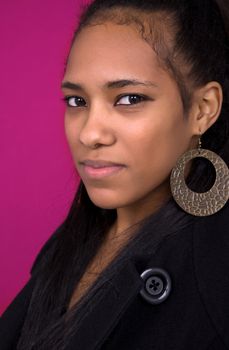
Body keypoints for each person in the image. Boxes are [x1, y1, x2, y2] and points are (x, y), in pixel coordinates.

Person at [1, 0, 229, 349]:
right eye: (77, 101)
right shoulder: (73, 239)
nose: (90, 134)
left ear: (203, 109)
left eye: (128, 98)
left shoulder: (215, 267)